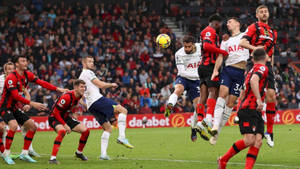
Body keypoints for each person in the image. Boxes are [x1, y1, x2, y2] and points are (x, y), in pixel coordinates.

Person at [0, 56, 67, 164]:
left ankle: (25, 153)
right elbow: (16, 96)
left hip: (15, 108)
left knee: (33, 126)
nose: (25, 62)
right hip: (4, 107)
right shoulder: (11, 78)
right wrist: (32, 103)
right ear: (17, 64)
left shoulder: (27, 74)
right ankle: (6, 154)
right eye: (22, 61)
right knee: (13, 126)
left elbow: (41, 82)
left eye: (26, 60)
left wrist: (57, 89)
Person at [218, 48, 269, 169]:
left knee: (258, 141)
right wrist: (258, 99)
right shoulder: (261, 68)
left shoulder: (250, 70)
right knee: (249, 140)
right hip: (249, 108)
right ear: (265, 57)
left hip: (252, 109)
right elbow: (254, 80)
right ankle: (223, 160)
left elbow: (243, 91)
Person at [79, 55, 133, 160]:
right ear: (84, 63)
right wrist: (111, 84)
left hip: (91, 105)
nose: (92, 63)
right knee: (123, 110)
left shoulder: (81, 76)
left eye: (93, 61)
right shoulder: (88, 72)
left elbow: (79, 95)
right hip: (97, 100)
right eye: (89, 61)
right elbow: (101, 85)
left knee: (108, 128)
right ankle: (122, 137)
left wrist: (85, 104)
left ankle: (103, 155)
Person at [239, 5, 277, 147]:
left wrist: (271, 67)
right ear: (257, 15)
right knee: (246, 92)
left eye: (266, 11)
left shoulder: (273, 32)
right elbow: (242, 42)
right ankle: (239, 114)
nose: (264, 13)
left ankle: (270, 132)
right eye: (261, 12)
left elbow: (271, 52)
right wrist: (257, 50)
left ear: (269, 13)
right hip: (253, 62)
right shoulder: (254, 27)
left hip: (268, 66)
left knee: (272, 95)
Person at [209, 17, 249, 145]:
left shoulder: (245, 35)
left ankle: (217, 133)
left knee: (230, 104)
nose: (227, 23)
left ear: (238, 23)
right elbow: (221, 56)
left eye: (230, 21)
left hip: (241, 73)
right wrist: (216, 70)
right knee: (222, 94)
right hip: (228, 70)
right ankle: (215, 126)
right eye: (226, 22)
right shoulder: (226, 41)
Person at [163, 35, 207, 141]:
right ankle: (170, 105)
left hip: (196, 81)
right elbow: (182, 72)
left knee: (198, 106)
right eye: (185, 46)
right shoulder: (179, 54)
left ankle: (193, 128)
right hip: (184, 77)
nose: (186, 49)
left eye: (189, 47)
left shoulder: (201, 47)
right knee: (178, 89)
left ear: (193, 45)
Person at [196, 14, 228, 139]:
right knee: (213, 92)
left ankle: (199, 121)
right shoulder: (209, 31)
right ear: (215, 23)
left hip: (202, 66)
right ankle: (209, 118)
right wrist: (222, 52)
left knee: (202, 96)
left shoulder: (205, 31)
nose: (220, 26)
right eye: (219, 24)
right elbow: (207, 46)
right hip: (210, 67)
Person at [0, 62, 40, 157]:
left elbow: (27, 94)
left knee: (28, 126)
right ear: (5, 71)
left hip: (13, 106)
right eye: (8, 69)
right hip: (3, 106)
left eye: (12, 69)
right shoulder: (1, 80)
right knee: (2, 128)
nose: (10, 71)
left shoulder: (17, 78)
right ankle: (4, 152)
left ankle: (28, 150)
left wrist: (27, 103)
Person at [48, 79, 90, 164]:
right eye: (81, 87)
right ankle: (52, 159)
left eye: (84, 87)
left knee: (86, 131)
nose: (83, 89)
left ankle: (79, 153)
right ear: (75, 88)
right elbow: (56, 113)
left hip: (66, 117)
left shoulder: (79, 96)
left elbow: (72, 106)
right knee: (62, 131)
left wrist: (75, 113)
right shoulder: (66, 97)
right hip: (54, 117)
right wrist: (65, 125)